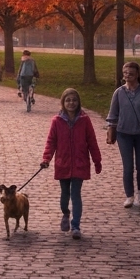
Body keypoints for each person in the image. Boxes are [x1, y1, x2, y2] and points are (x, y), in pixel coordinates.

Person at [39, 87, 102, 240]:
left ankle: (76, 226)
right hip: (63, 163)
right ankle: (66, 213)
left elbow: (92, 141)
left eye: (74, 100)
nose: (71, 103)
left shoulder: (85, 120)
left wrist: (97, 160)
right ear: (63, 102)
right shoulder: (56, 121)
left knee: (76, 195)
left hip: (80, 163)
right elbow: (51, 142)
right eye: (68, 100)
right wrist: (46, 158)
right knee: (64, 196)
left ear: (78, 102)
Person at [105, 61, 140, 208]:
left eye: (130, 73)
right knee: (128, 166)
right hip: (124, 134)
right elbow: (113, 113)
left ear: (137, 74)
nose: (127, 75)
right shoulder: (119, 92)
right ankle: (129, 196)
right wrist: (111, 128)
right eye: (125, 73)